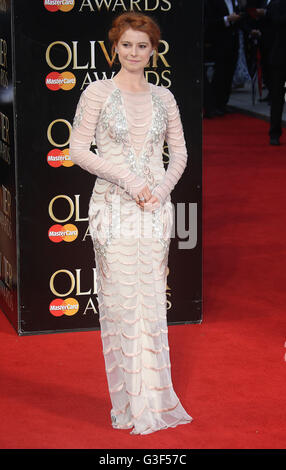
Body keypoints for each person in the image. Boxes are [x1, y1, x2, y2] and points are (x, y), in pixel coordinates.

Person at [69, 12, 193, 435]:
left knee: (151, 301)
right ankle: (128, 406)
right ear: (115, 48)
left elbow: (179, 154)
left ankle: (154, 403)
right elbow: (77, 150)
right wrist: (129, 179)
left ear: (153, 51)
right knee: (122, 304)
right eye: (126, 45)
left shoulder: (165, 98)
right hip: (114, 207)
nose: (134, 52)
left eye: (142, 46)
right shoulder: (97, 93)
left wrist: (159, 191)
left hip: (154, 211)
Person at [265, 0, 286, 145]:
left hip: (278, 55)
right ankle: (274, 133)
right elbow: (275, 22)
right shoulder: (276, 4)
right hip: (280, 56)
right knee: (277, 96)